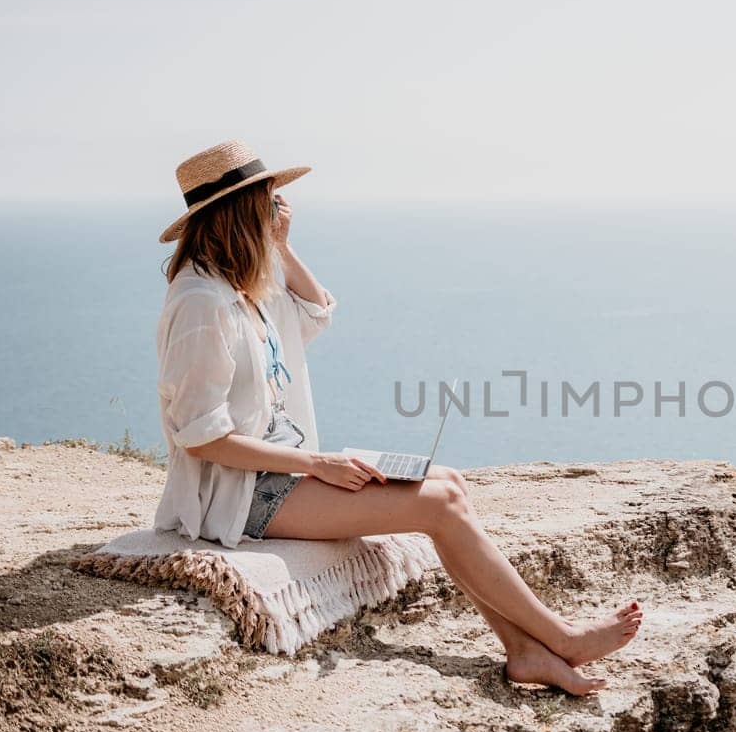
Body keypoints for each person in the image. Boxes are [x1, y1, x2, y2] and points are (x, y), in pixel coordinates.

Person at [151, 140, 641, 695]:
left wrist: (282, 248)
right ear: (239, 212)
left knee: (448, 484)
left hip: (282, 469)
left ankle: (526, 651)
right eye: (269, 202)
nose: (279, 211)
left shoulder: (241, 283)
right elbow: (202, 436)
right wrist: (318, 463)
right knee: (438, 505)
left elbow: (316, 312)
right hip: (243, 492)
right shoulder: (201, 303)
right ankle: (562, 638)